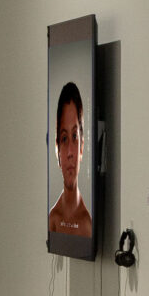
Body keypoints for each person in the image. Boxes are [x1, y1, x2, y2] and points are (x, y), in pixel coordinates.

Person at [47, 81, 93, 244]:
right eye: (64, 138)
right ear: (57, 150)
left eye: (74, 137)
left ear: (82, 147)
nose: (69, 153)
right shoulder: (52, 220)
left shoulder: (88, 225)